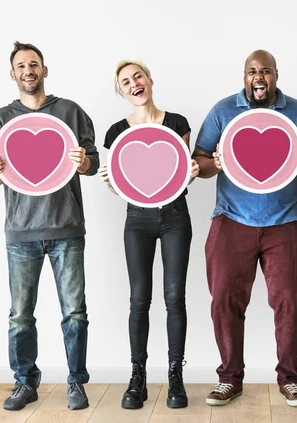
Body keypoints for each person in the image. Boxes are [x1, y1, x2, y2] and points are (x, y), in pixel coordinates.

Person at [192, 49, 297, 408]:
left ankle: (290, 379)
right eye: (252, 71)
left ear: (276, 75)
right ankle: (229, 378)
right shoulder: (223, 111)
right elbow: (199, 162)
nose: (259, 77)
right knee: (224, 301)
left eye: (265, 71)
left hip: (287, 222)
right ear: (244, 76)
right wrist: (214, 164)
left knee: (292, 303)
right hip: (232, 220)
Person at [0, 41, 99, 411]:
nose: (28, 70)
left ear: (45, 70)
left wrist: (84, 164)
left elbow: (94, 162)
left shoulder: (70, 111)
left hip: (66, 228)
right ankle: (24, 382)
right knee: (20, 315)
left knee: (74, 312)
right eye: (21, 65)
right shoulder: (2, 119)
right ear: (12, 74)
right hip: (21, 232)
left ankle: (76, 384)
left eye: (34, 64)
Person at [99, 60, 199, 409]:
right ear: (122, 92)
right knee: (139, 299)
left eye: (137, 76)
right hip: (137, 220)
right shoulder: (115, 132)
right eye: (125, 82)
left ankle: (175, 377)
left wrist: (193, 171)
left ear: (149, 80)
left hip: (174, 217)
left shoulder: (177, 123)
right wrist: (111, 183)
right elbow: (121, 186)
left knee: (175, 298)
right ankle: (137, 378)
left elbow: (182, 172)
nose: (133, 83)